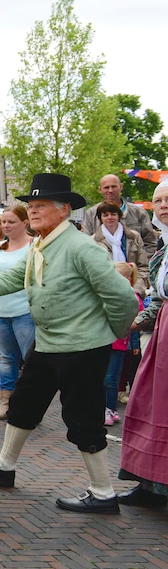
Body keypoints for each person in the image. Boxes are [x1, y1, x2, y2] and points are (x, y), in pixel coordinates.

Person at [0, 173, 138, 514]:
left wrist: (108, 332)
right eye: (31, 205)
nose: (33, 212)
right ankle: (4, 467)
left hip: (81, 348)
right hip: (50, 342)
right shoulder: (41, 241)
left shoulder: (81, 247)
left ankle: (102, 492)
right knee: (24, 402)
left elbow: (123, 298)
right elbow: (13, 277)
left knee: (82, 417)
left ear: (65, 209)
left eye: (40, 206)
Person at [119, 179, 168, 508]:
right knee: (150, 404)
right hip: (163, 335)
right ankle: (150, 484)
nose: (163, 204)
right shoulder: (162, 245)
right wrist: (129, 323)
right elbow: (158, 299)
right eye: (157, 200)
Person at [0, 205, 35, 421]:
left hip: (24, 310)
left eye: (11, 221)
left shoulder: (34, 246)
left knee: (30, 359)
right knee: (7, 359)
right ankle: (5, 402)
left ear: (25, 223)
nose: (5, 225)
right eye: (4, 221)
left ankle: (29, 403)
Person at [83, 174, 158, 256]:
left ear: (121, 187)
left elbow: (150, 243)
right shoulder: (90, 214)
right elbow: (86, 244)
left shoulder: (139, 213)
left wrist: (142, 264)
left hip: (134, 267)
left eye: (114, 186)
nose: (110, 190)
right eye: (106, 187)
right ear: (100, 190)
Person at [104, 263, 140, 426]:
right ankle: (105, 407)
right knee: (106, 377)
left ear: (127, 279)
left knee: (112, 378)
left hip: (119, 344)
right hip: (105, 342)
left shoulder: (132, 296)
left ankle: (109, 408)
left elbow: (135, 321)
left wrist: (135, 344)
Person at [91, 201, 150, 297]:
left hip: (134, 292)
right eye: (105, 215)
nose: (110, 217)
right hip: (106, 295)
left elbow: (143, 267)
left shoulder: (134, 236)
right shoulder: (92, 241)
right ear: (100, 218)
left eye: (113, 214)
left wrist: (137, 290)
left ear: (119, 216)